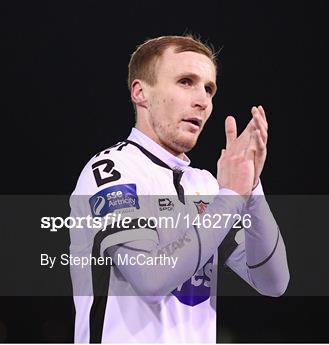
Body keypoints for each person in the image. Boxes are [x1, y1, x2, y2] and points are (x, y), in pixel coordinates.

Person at [69, 35, 289, 343]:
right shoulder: (112, 170)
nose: (203, 100)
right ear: (141, 93)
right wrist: (230, 199)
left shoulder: (206, 186)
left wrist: (251, 189)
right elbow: (151, 279)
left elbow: (273, 281)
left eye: (209, 88)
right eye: (186, 82)